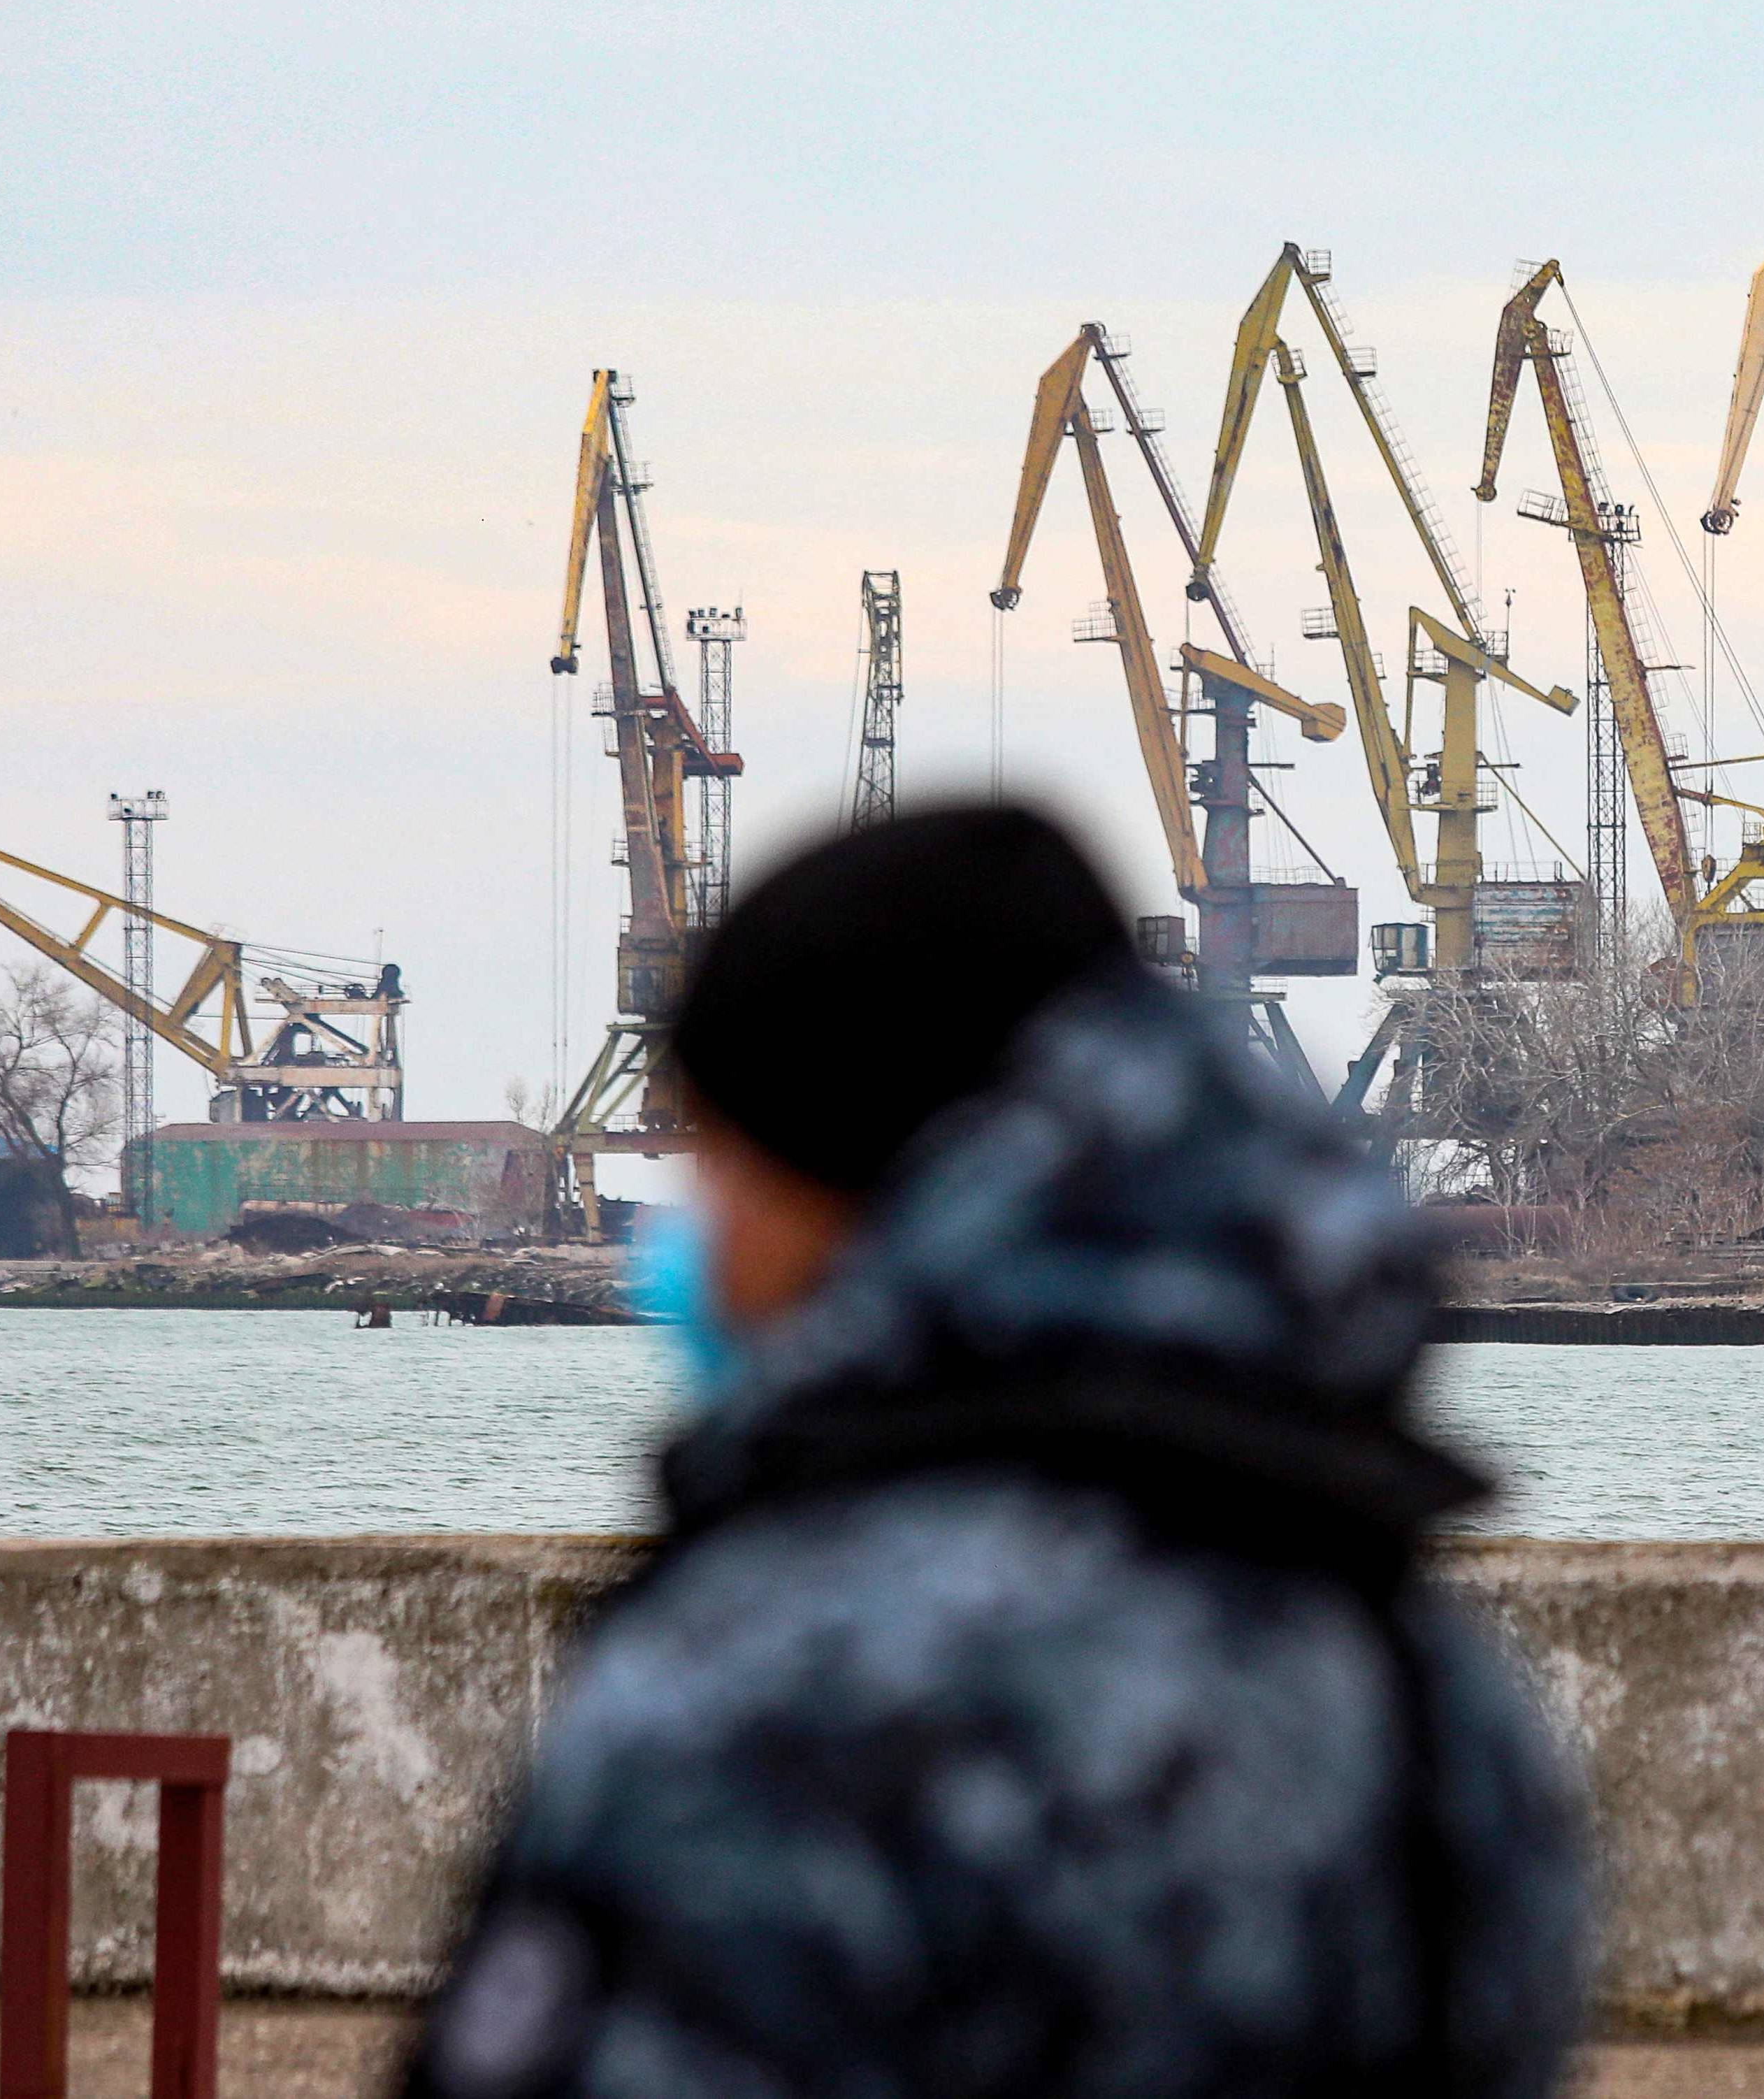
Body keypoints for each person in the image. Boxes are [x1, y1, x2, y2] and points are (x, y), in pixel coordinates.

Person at [401, 805, 1585, 2099]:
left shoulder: (787, 1689)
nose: (700, 1235)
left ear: (843, 1185)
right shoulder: (1423, 1682)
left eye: (722, 1166)